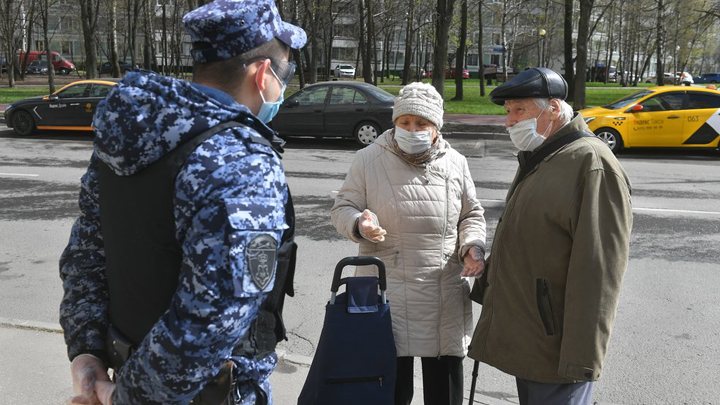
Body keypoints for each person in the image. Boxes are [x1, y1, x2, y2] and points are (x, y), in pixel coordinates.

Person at [58, 1, 305, 404]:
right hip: (205, 393)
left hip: (125, 369)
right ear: (263, 74)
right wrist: (131, 398)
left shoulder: (132, 137)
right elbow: (214, 316)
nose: (284, 87)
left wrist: (86, 353)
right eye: (286, 74)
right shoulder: (240, 161)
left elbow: (86, 255)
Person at [467, 68, 633, 405]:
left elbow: (599, 271)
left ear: (553, 109)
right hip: (531, 340)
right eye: (507, 112)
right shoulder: (545, 155)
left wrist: (580, 358)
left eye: (519, 111)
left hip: (558, 352)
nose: (509, 122)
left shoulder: (590, 162)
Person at [330, 82, 487, 405]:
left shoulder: (455, 163)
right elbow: (342, 208)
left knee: (443, 393)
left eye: (422, 124)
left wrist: (473, 246)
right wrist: (360, 224)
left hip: (442, 289)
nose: (412, 129)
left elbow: (471, 214)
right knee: (389, 392)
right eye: (405, 122)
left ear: (435, 128)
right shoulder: (368, 159)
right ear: (394, 122)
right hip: (387, 290)